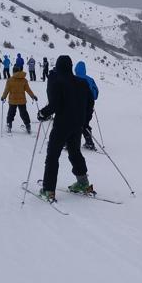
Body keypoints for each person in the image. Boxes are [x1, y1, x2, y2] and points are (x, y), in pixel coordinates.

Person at [37, 55, 95, 201]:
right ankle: (83, 183)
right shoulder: (82, 83)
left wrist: (42, 113)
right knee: (74, 153)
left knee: (52, 155)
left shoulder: (58, 82)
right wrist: (85, 120)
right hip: (77, 125)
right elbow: (90, 103)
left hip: (62, 125)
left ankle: (49, 190)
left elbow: (54, 105)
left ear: (58, 66)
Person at [1, 65, 37, 133]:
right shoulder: (24, 80)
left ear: (13, 71)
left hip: (12, 100)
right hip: (22, 100)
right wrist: (33, 96)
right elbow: (28, 90)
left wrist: (3, 97)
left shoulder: (10, 80)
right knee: (24, 113)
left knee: (11, 113)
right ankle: (28, 126)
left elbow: (6, 90)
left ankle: (9, 125)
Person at [75, 61, 99, 150]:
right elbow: (95, 95)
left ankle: (69, 143)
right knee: (85, 124)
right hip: (89, 107)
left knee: (74, 124)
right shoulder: (90, 80)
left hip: (76, 107)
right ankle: (89, 143)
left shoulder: (73, 79)